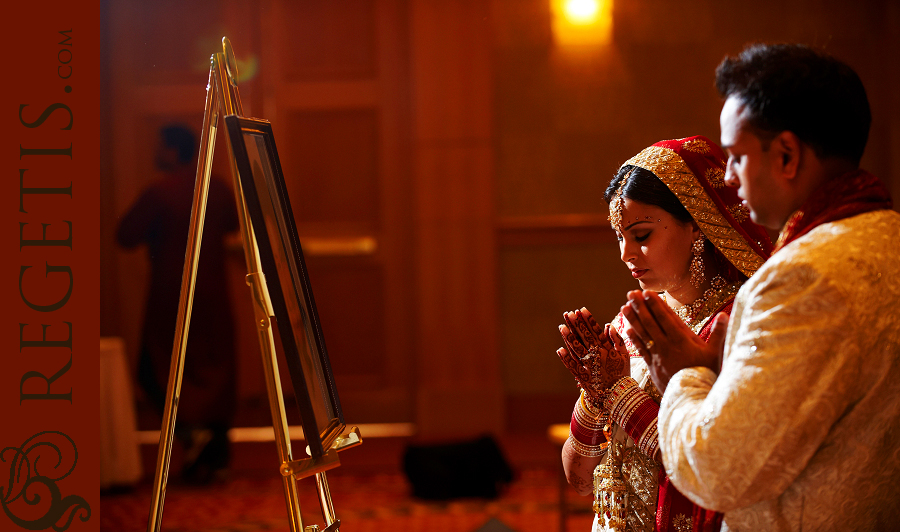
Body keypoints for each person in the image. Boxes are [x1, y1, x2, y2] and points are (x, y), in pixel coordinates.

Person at [621, 44, 900, 530]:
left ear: (787, 156)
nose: (728, 177)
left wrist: (685, 373)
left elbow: (716, 469)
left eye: (734, 157)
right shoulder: (887, 237)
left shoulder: (801, 276)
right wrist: (719, 368)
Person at [556, 135, 773, 532]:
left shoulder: (739, 325)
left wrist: (618, 391)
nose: (625, 253)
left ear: (697, 224)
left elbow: (705, 464)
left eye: (641, 236)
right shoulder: (629, 324)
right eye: (619, 236)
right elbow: (580, 481)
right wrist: (593, 394)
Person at [117, 124, 239, 483]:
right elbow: (234, 228)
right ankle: (213, 453)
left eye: (159, 146)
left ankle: (190, 433)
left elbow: (125, 235)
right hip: (214, 295)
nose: (155, 153)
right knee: (215, 370)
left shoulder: (159, 192)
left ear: (172, 151)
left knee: (161, 367)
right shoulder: (216, 188)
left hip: (171, 297)